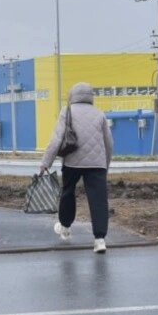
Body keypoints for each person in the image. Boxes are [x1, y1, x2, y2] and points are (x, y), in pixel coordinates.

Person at [40, 82, 114, 254]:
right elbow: (109, 143)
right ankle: (100, 239)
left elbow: (56, 139)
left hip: (72, 162)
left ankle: (65, 227)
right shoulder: (99, 114)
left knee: (68, 193)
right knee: (99, 200)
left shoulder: (67, 112)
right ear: (90, 96)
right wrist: (105, 164)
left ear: (72, 95)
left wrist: (46, 163)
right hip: (97, 164)